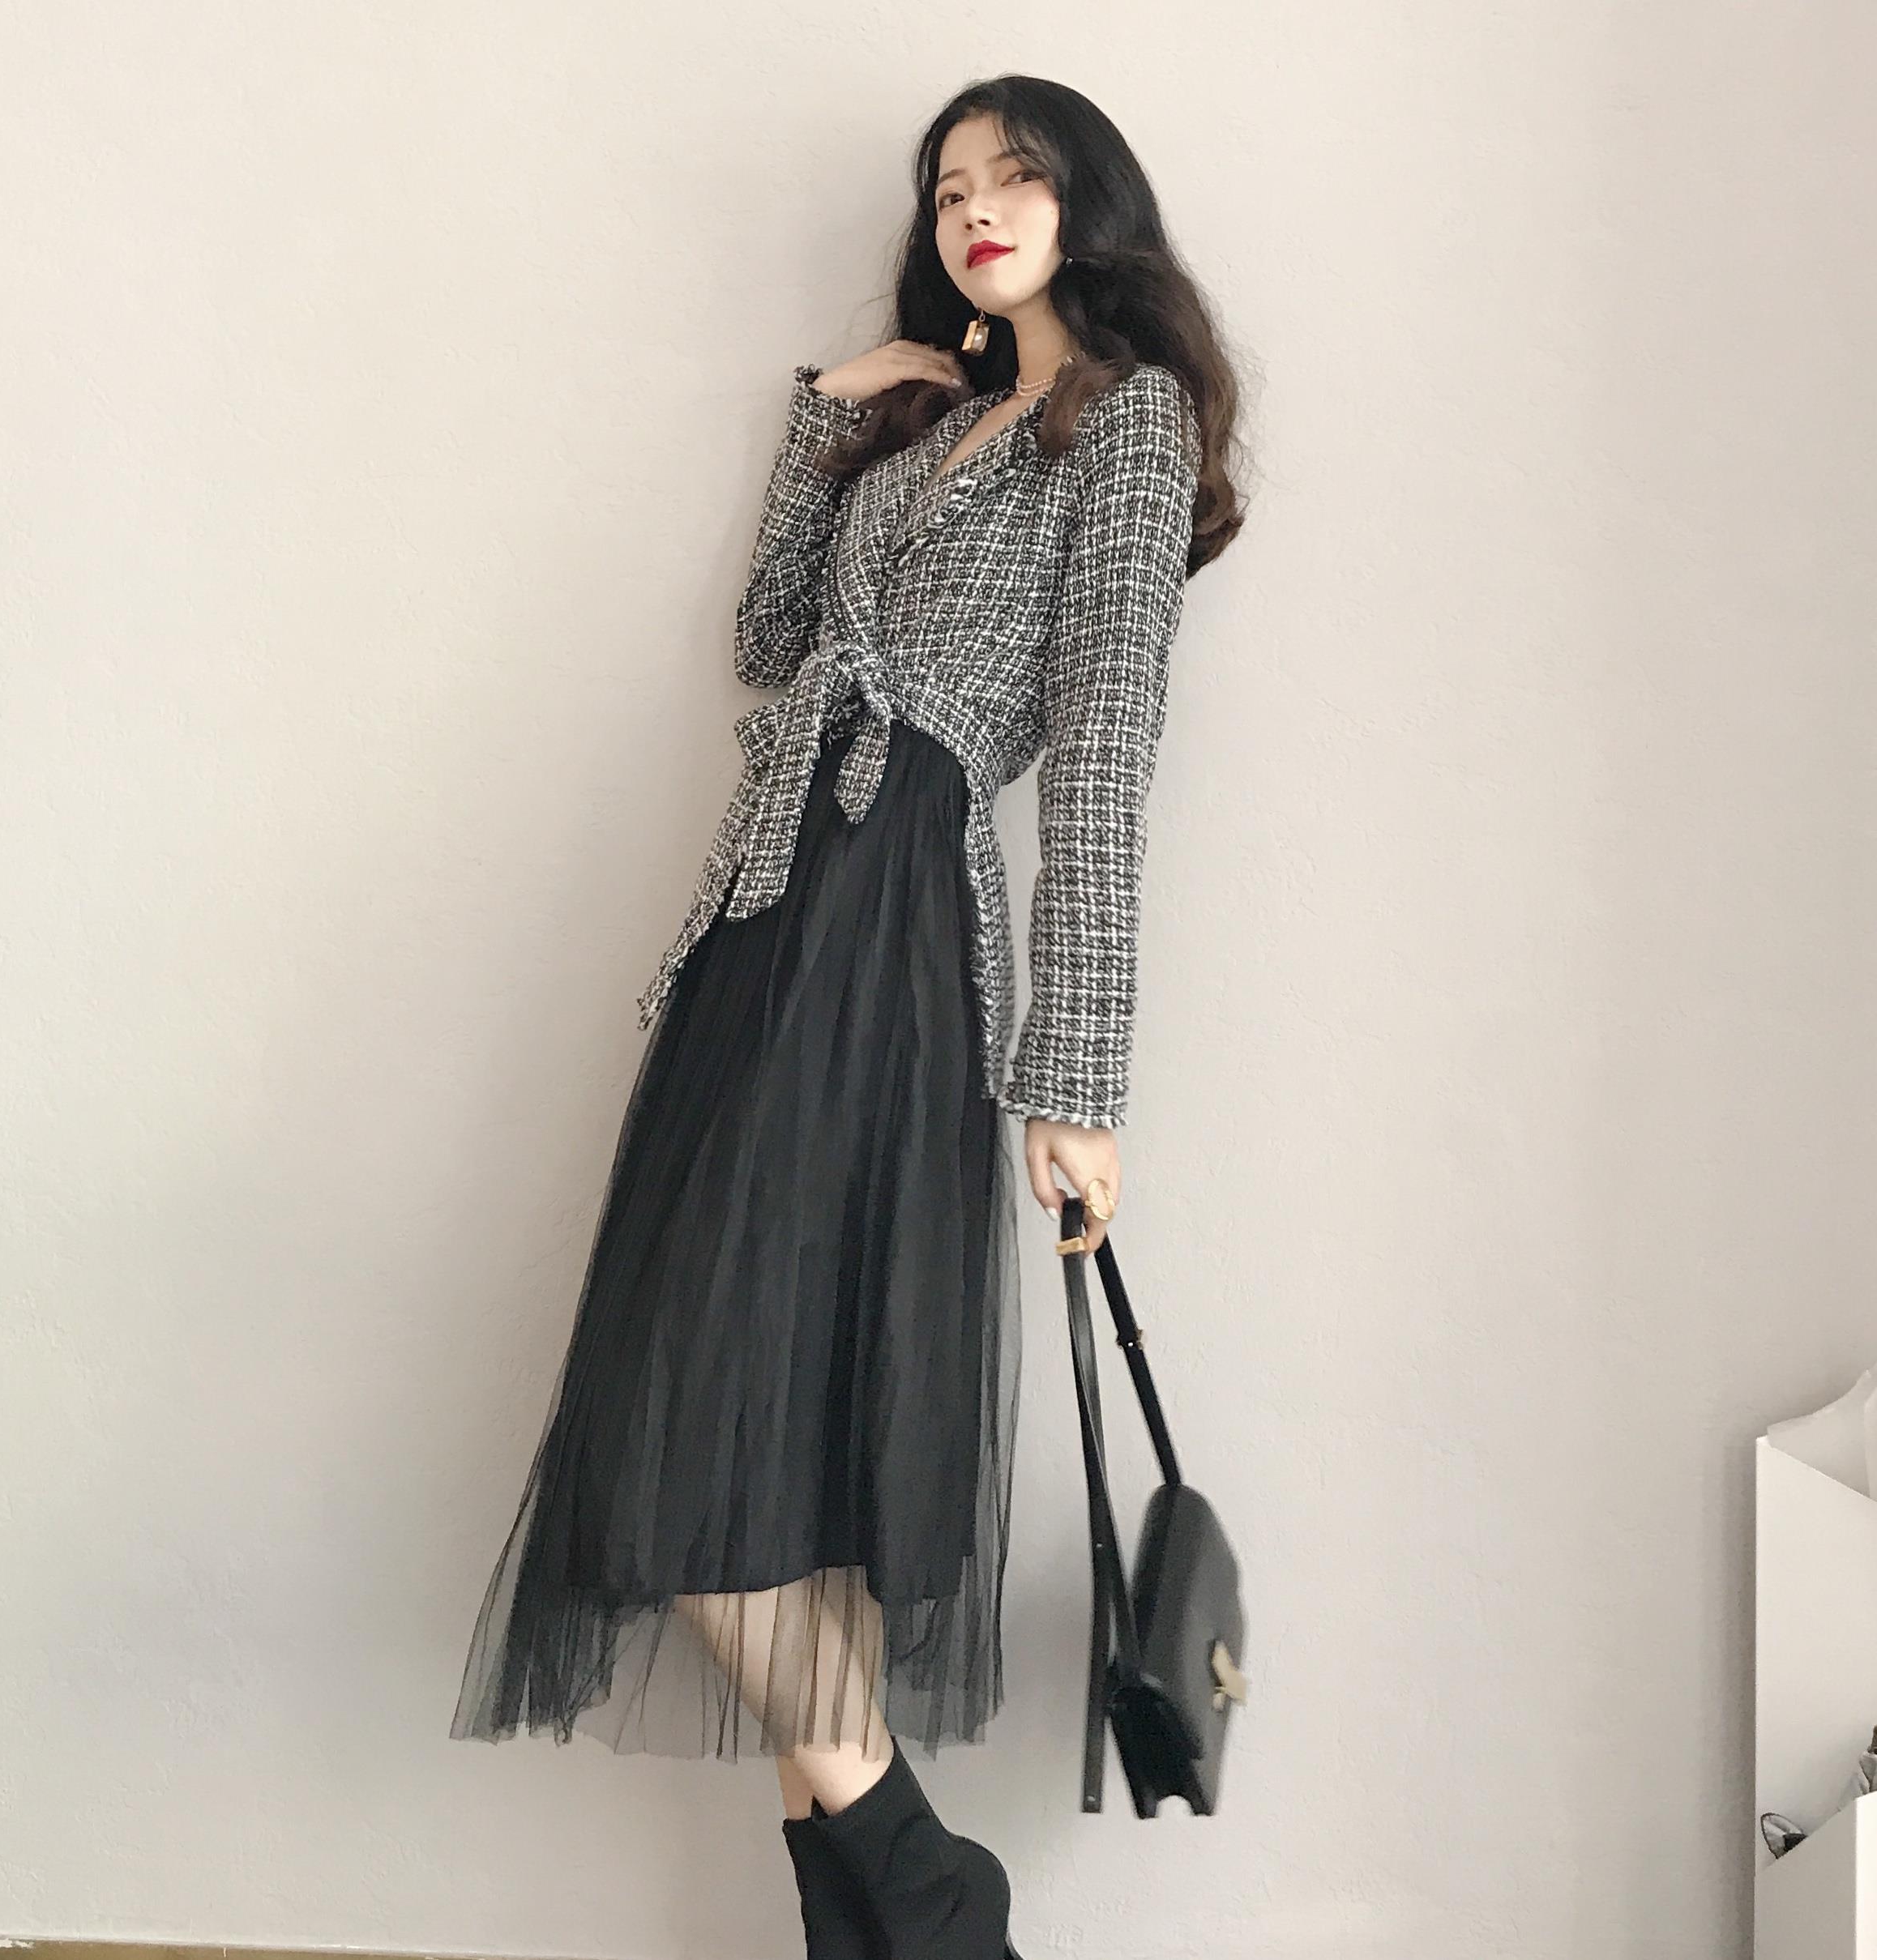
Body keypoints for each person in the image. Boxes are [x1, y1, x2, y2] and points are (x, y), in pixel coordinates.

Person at [450, 72, 1245, 1960]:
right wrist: (829, 414)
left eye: (1015, 176)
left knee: (714, 1430)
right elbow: (765, 645)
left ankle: (928, 1893)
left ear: (1088, 206)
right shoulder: (927, 428)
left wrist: (1076, 1078)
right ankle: (895, 1919)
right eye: (949, 185)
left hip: (897, 925)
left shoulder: (1127, 424)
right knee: (725, 1432)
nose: (976, 207)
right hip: (764, 908)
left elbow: (1103, 756)